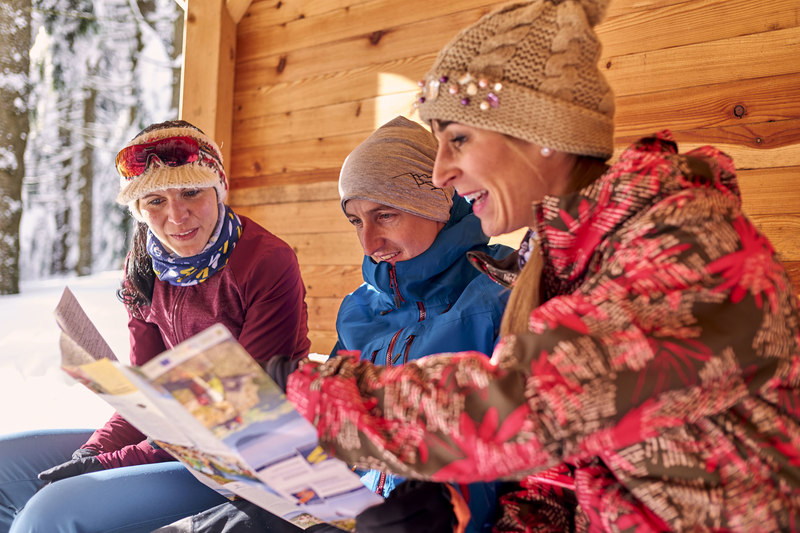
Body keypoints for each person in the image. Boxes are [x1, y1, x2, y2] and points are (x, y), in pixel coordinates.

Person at [266, 0, 800, 531]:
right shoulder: (555, 266)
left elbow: (528, 405)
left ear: (542, 134)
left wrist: (309, 396)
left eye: (458, 139)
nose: (441, 172)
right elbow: (559, 480)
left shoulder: (684, 246)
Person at [155, 116, 514, 533]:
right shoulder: (361, 308)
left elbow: (525, 443)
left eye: (385, 215)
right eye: (356, 221)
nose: (369, 242)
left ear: (438, 205)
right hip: (341, 513)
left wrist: (451, 504)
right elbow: (329, 431)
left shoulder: (499, 297)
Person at [0, 119, 311, 533]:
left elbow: (239, 411)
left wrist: (112, 463)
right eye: (155, 201)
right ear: (139, 209)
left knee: (52, 511)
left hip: (246, 460)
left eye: (191, 192)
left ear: (218, 189)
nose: (176, 216)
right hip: (171, 440)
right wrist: (93, 452)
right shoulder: (143, 265)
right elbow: (146, 394)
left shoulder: (265, 262)